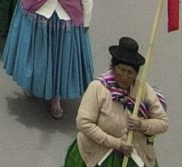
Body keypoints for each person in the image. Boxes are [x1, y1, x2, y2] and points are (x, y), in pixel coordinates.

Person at [72, 37, 170, 167]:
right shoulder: (98, 88)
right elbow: (84, 123)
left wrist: (142, 124)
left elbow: (163, 123)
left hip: (134, 154)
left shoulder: (143, 91)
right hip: (98, 152)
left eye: (130, 72)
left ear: (136, 74)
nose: (124, 76)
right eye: (121, 69)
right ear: (113, 67)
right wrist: (116, 143)